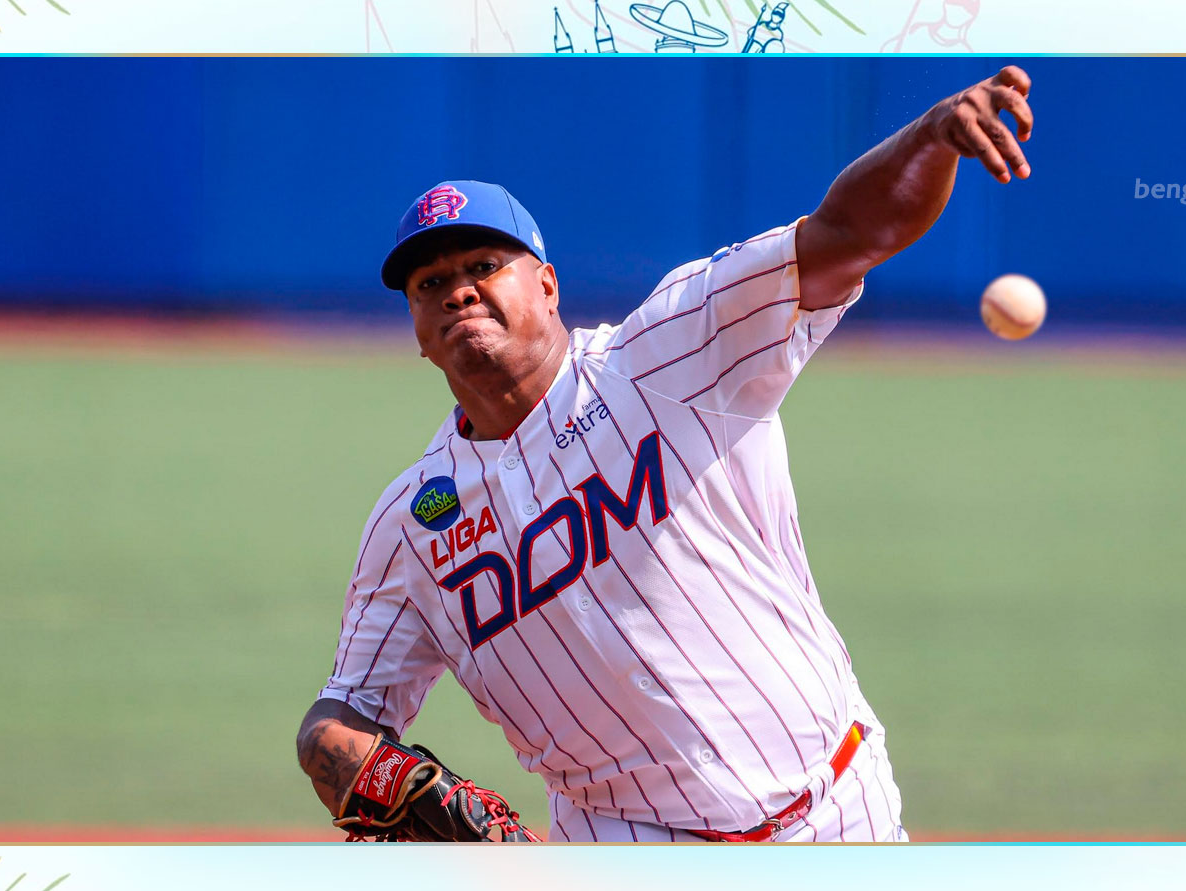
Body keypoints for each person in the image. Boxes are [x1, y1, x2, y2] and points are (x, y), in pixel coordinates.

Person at [296, 65, 1035, 842]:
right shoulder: (414, 526)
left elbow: (848, 234)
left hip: (836, 812)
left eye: (483, 266)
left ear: (547, 285)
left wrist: (931, 138)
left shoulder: (669, 350)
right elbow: (339, 720)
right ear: (418, 332)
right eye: (429, 283)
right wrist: (368, 770)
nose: (457, 290)